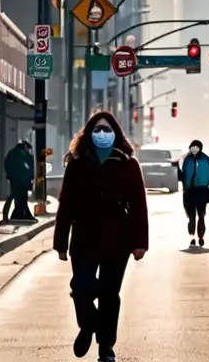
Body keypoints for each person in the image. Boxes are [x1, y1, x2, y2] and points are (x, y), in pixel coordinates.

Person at [53, 111, 148, 361]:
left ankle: (106, 348)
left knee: (109, 294)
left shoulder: (128, 163)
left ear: (116, 133)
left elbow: (139, 205)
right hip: (84, 235)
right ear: (89, 134)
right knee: (81, 287)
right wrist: (61, 242)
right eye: (98, 129)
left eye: (107, 129)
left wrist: (140, 243)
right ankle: (88, 325)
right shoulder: (77, 162)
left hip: (118, 238)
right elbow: (66, 204)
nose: (102, 134)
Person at [179, 139, 209, 248]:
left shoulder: (206, 160)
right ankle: (192, 236)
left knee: (201, 215)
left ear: (200, 148)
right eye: (192, 147)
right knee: (191, 216)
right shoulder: (186, 160)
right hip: (189, 191)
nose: (194, 149)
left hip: (202, 190)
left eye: (196, 147)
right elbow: (182, 175)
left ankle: (201, 236)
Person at [2, 140, 34, 223]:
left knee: (16, 197)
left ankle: (16, 215)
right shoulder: (23, 153)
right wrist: (30, 176)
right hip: (22, 179)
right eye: (28, 149)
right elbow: (30, 163)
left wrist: (10, 175)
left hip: (13, 179)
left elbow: (7, 165)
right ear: (25, 147)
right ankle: (19, 215)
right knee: (21, 197)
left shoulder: (11, 153)